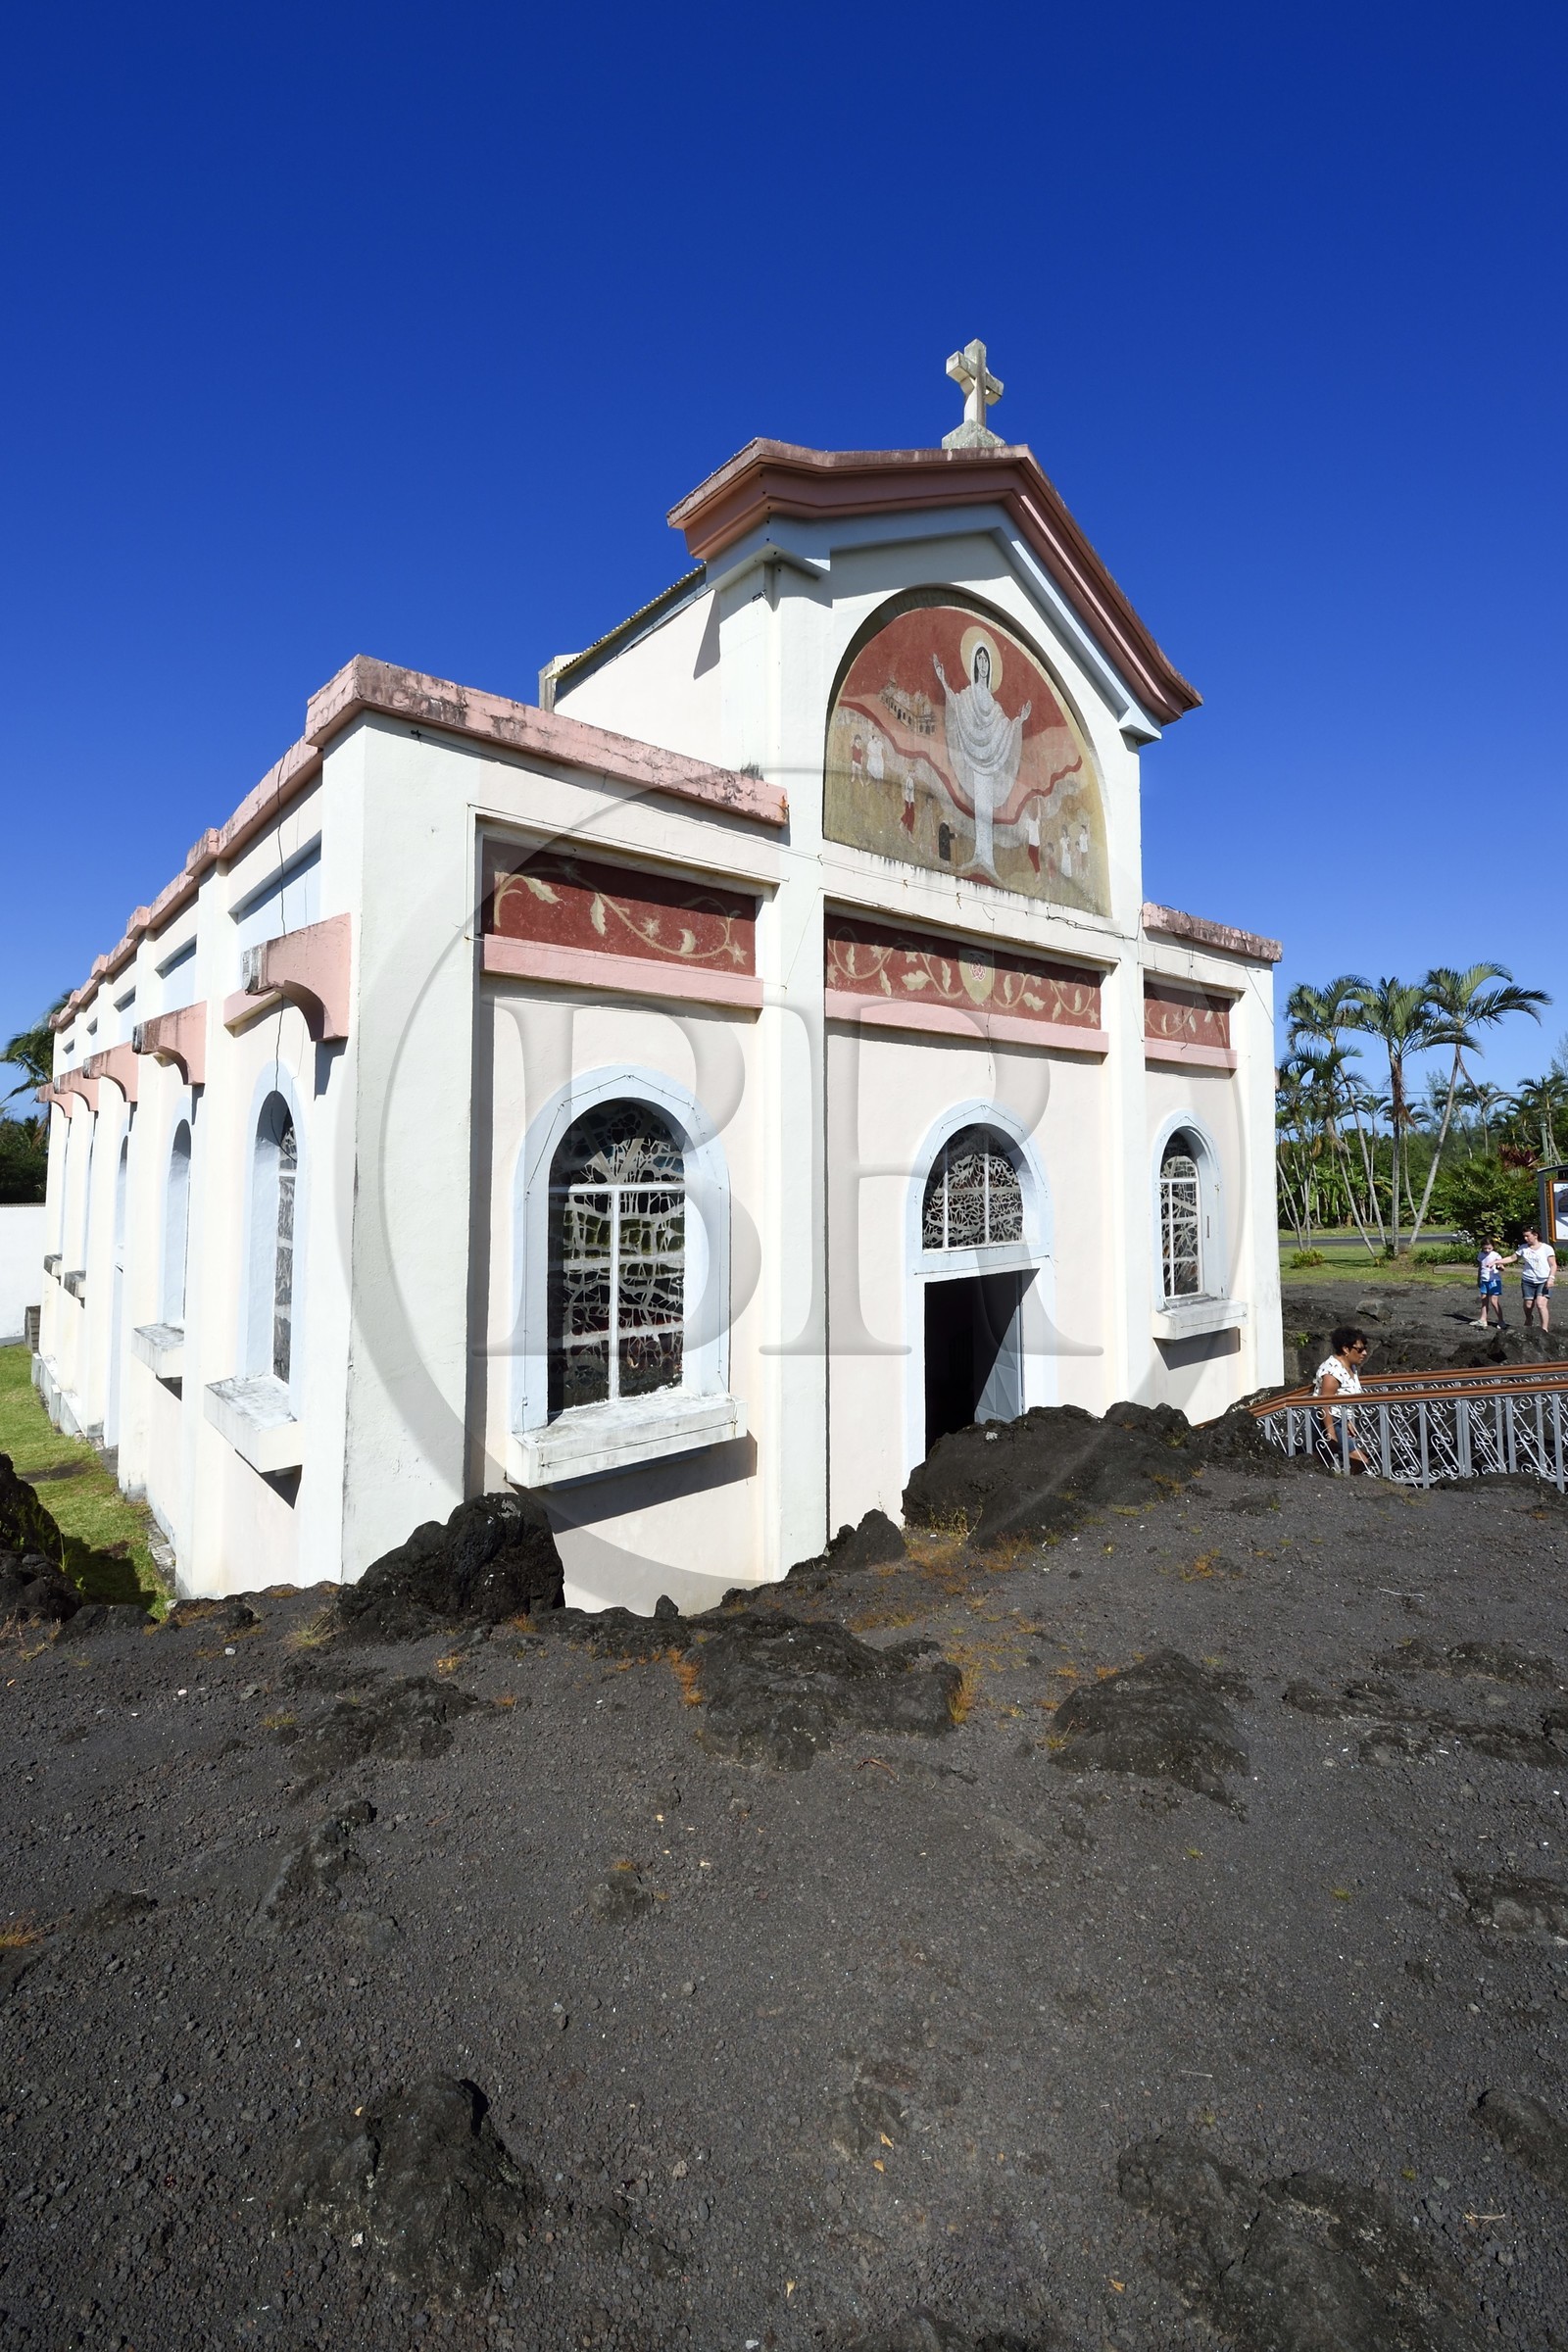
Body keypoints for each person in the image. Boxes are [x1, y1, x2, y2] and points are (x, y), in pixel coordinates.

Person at [1313, 1325, 1372, 1471]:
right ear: (1346, 1349)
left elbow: (1342, 1397)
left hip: (1340, 1419)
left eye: (1365, 1348)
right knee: (1361, 1460)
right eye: (1359, 1350)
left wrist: (1347, 1421)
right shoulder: (1332, 1371)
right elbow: (1325, 1403)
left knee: (1334, 1459)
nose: (1364, 1353)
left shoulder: (1350, 1366)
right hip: (1329, 1420)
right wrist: (1331, 1432)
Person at [1504, 1227, 1557, 1332]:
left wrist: (1551, 1278)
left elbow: (1553, 1265)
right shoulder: (1523, 1248)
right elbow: (1512, 1258)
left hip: (1543, 1280)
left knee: (1540, 1304)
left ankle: (1544, 1329)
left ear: (1535, 1235)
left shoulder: (1546, 1248)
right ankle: (1529, 1319)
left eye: (1527, 1236)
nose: (1525, 1238)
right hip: (1528, 1280)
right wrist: (1496, 1261)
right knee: (1528, 1305)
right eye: (1524, 1236)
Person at [1475, 1237, 1504, 1328]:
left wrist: (1499, 1266)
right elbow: (1480, 1267)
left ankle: (1501, 1320)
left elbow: (1502, 1267)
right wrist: (1478, 1279)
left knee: (1494, 1301)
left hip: (1494, 1280)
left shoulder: (1496, 1255)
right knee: (1484, 1300)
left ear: (1493, 1247)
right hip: (1484, 1280)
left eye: (1489, 1248)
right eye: (1485, 1248)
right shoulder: (1481, 1254)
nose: (1487, 1250)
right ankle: (1483, 1319)